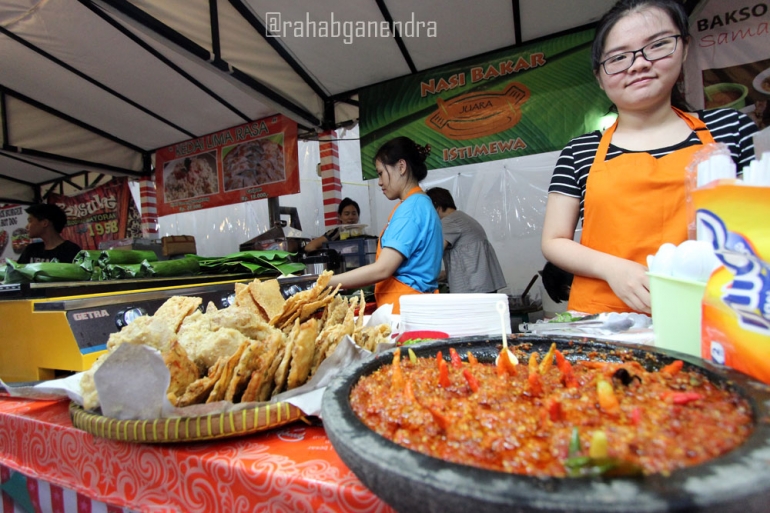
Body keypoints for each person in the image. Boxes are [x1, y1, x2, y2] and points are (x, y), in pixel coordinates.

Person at [541, 0, 757, 315]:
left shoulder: (730, 129)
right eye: (618, 57)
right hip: (604, 319)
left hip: (712, 314)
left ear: (683, 49)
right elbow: (554, 240)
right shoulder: (580, 150)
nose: (638, 64)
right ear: (600, 77)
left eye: (657, 45)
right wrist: (614, 269)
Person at [328, 137, 443, 314]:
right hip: (411, 306)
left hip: (405, 310)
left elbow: (383, 268)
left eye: (381, 173)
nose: (380, 182)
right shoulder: (418, 204)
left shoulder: (412, 208)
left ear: (401, 167)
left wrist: (324, 283)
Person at [426, 187, 506, 294]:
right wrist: (445, 274)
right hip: (485, 285)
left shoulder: (449, 222)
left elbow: (433, 253)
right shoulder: (463, 218)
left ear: (436, 207)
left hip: (473, 289)